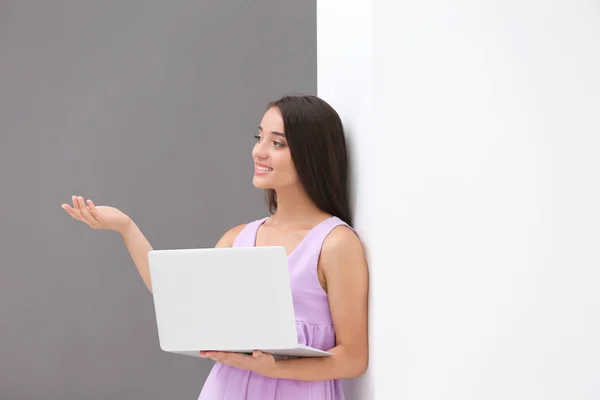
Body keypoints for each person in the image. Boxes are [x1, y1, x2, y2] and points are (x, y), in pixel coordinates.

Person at [61, 95, 369, 399]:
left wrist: (274, 369)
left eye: (277, 143)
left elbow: (353, 358)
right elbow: (177, 297)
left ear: (311, 155)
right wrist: (126, 227)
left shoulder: (335, 244)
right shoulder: (237, 239)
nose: (258, 151)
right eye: (258, 137)